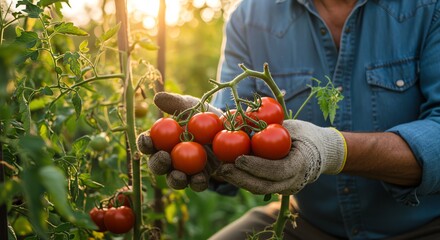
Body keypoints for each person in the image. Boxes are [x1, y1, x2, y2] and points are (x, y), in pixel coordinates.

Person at [137, 0, 440, 239]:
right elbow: (228, 127)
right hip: (306, 223)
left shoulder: (427, 7)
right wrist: (204, 148)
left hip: (425, 226)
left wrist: (332, 150)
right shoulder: (250, 18)